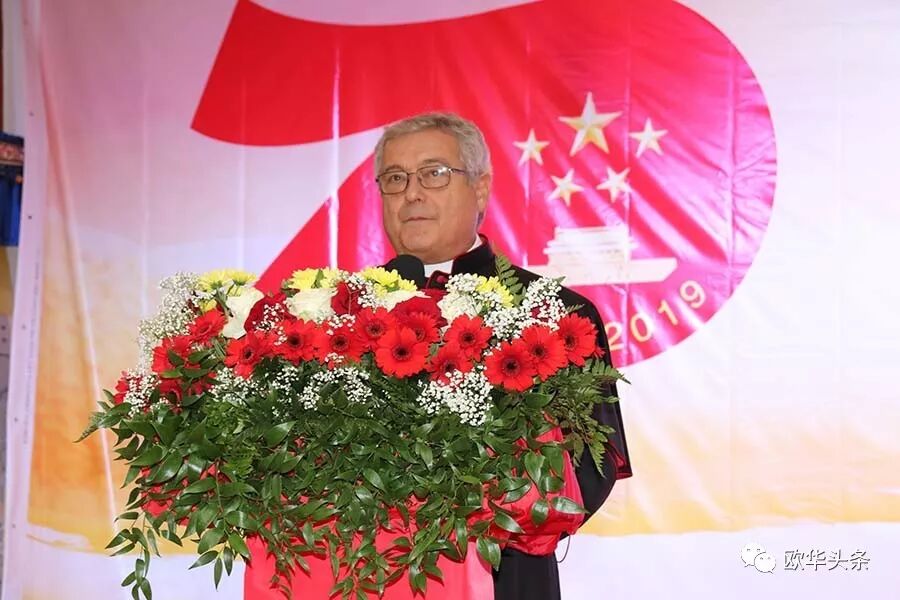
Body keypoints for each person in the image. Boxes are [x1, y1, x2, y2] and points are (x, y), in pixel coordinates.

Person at [373, 112, 632, 600]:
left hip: (504, 576)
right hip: (367, 576)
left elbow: (589, 469)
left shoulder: (556, 313)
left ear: (480, 189)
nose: (412, 194)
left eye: (433, 173)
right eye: (395, 178)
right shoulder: (339, 314)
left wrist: (470, 505)